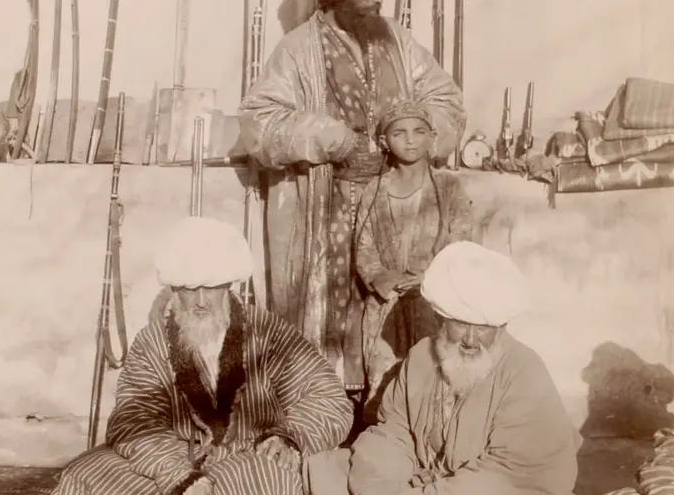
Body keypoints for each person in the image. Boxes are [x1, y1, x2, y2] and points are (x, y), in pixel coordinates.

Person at [238, 0, 466, 393]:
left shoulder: (399, 44)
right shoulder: (297, 52)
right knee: (330, 328)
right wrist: (329, 137)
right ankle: (328, 413)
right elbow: (258, 123)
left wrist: (417, 134)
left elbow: (447, 101)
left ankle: (397, 408)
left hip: (396, 210)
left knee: (397, 322)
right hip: (325, 215)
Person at [54, 217, 353, 495]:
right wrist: (180, 476)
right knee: (84, 474)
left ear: (227, 285)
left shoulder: (267, 330)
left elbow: (326, 397)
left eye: (209, 287)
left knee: (267, 479)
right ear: (173, 289)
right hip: (175, 455)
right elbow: (135, 419)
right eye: (188, 288)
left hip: (249, 455)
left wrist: (289, 437)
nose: (199, 302)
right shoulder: (153, 341)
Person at [304, 241, 581, 495]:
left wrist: (431, 491)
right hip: (422, 481)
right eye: (460, 324)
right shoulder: (422, 358)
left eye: (483, 328)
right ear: (440, 319)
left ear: (501, 327)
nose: (471, 340)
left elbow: (509, 476)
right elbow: (394, 433)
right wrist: (385, 485)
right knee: (329, 471)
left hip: (490, 489)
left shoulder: (524, 373)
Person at [355, 100, 474, 422]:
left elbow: (461, 240)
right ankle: (385, 449)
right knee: (386, 380)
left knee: (437, 381)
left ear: (431, 137)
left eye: (419, 131)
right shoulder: (375, 190)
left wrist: (428, 278)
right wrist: (382, 280)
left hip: (434, 304)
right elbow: (364, 247)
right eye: (399, 133)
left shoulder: (449, 187)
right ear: (384, 142)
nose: (410, 140)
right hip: (386, 305)